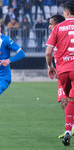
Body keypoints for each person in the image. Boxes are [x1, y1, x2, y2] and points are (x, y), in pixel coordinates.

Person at [46, 0, 74, 146]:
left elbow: (48, 53)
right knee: (65, 102)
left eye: (51, 24)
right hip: (63, 72)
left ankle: (69, 128)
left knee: (68, 100)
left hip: (64, 71)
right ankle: (70, 127)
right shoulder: (57, 34)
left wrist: (50, 66)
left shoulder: (59, 31)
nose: (50, 26)